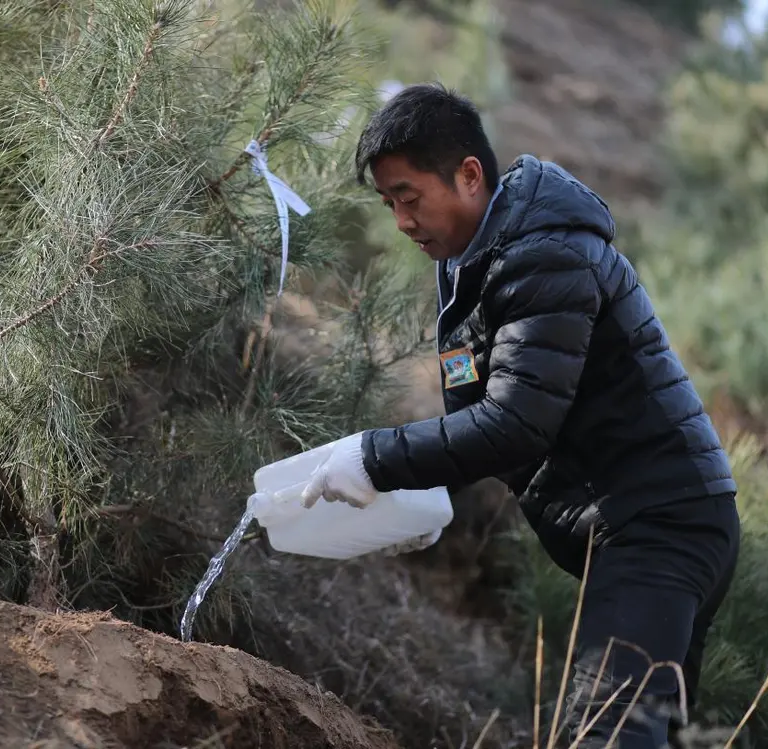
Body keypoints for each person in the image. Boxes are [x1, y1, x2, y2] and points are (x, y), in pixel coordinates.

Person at [299, 83, 741, 749]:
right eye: (388, 203)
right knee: (644, 736)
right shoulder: (469, 265)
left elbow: (515, 425)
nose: (400, 221)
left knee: (605, 736)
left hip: (657, 525)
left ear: (468, 175)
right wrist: (418, 501)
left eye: (409, 197)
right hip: (657, 521)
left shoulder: (541, 254)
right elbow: (481, 423)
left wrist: (372, 456)